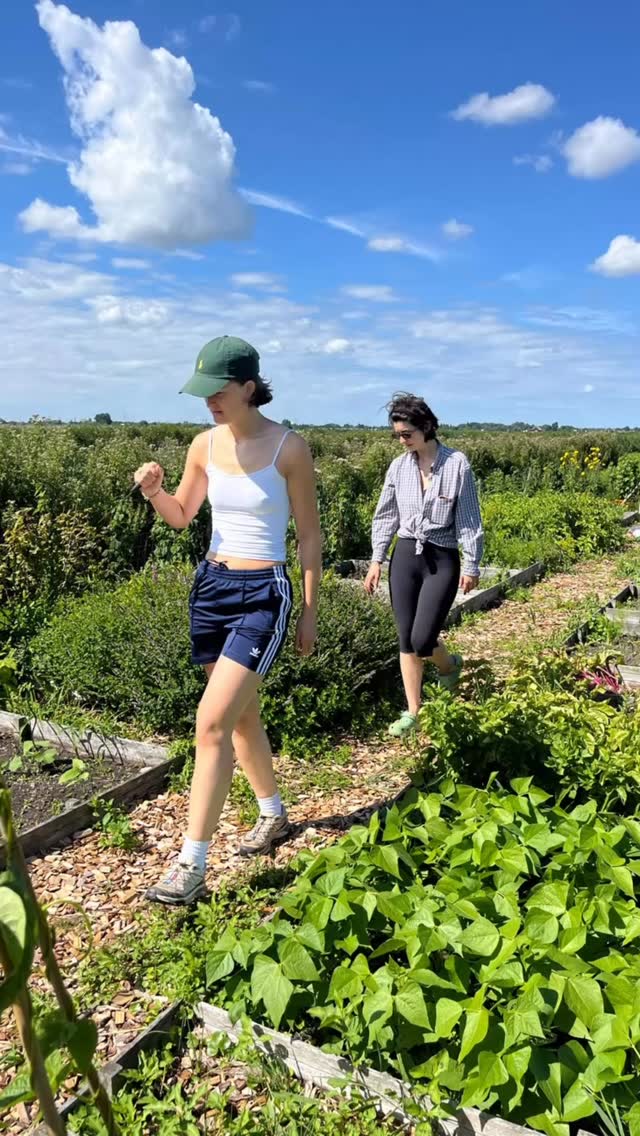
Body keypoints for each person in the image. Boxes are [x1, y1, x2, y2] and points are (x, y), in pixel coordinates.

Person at [133, 336, 322, 905]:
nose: (210, 402)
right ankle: (274, 815)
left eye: (218, 391)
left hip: (265, 591)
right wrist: (156, 492)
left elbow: (310, 536)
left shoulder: (290, 448)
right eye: (202, 393)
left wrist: (309, 612)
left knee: (210, 722)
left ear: (248, 386)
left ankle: (190, 866)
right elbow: (182, 517)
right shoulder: (204, 445)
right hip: (212, 587)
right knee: (240, 719)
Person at [364, 393, 483, 737]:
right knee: (406, 637)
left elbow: (469, 519)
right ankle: (413, 711)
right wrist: (377, 560)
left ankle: (449, 667)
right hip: (405, 556)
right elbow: (386, 515)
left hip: (441, 556)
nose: (402, 441)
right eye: (397, 435)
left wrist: (472, 564)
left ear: (426, 427)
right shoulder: (399, 467)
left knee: (423, 637)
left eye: (407, 434)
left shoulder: (457, 464)